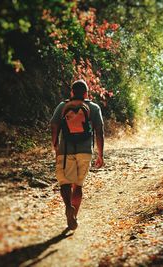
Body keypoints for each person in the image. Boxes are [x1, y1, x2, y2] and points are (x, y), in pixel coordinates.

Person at [50, 79, 104, 230]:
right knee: (78, 186)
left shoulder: (62, 106)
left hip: (65, 150)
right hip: (85, 151)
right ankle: (74, 216)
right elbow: (99, 131)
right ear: (87, 93)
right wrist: (100, 154)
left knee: (65, 182)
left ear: (72, 93)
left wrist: (55, 145)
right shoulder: (93, 107)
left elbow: (54, 126)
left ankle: (68, 206)